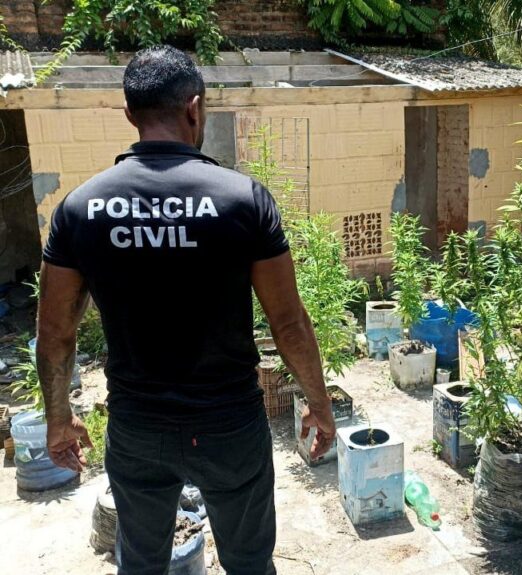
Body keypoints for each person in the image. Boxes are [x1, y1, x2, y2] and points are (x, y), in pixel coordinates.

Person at [36, 45, 336, 575]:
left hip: (137, 425)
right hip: (228, 424)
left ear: (130, 114)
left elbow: (56, 332)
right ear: (195, 108)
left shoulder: (80, 208)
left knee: (144, 564)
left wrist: (59, 420)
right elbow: (287, 322)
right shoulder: (243, 199)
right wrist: (318, 402)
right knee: (248, 564)